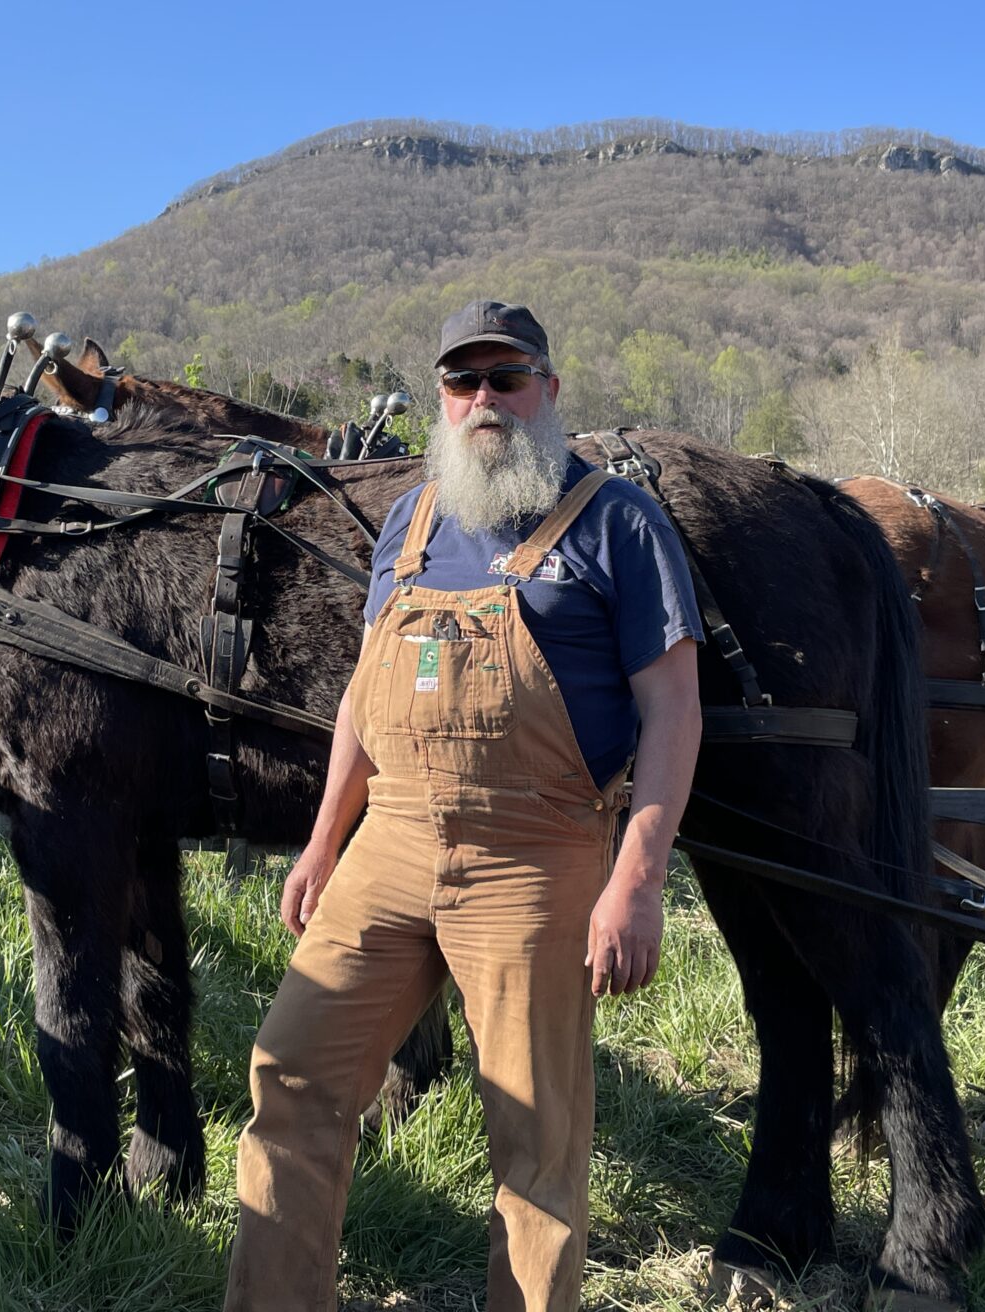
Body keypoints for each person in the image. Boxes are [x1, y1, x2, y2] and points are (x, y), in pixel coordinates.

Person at [224, 300, 705, 1312]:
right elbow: (364, 692)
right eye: (463, 382)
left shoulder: (617, 521)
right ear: (442, 399)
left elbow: (673, 710)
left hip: (537, 857)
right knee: (291, 1079)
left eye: (506, 377)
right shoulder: (413, 515)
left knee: (536, 1145)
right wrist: (323, 845)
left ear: (549, 391)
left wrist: (637, 881)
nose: (483, 400)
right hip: (390, 844)